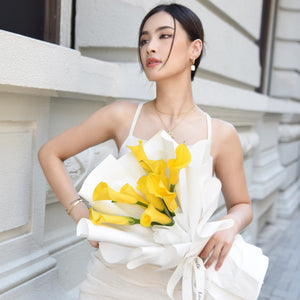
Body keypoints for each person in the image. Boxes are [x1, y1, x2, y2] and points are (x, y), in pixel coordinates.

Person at [38, 3, 258, 299]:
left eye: (164, 36)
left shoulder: (219, 134)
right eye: (144, 40)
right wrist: (81, 216)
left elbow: (242, 205)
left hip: (177, 285)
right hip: (109, 282)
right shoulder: (121, 116)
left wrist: (228, 227)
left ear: (195, 49)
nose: (150, 47)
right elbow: (50, 152)